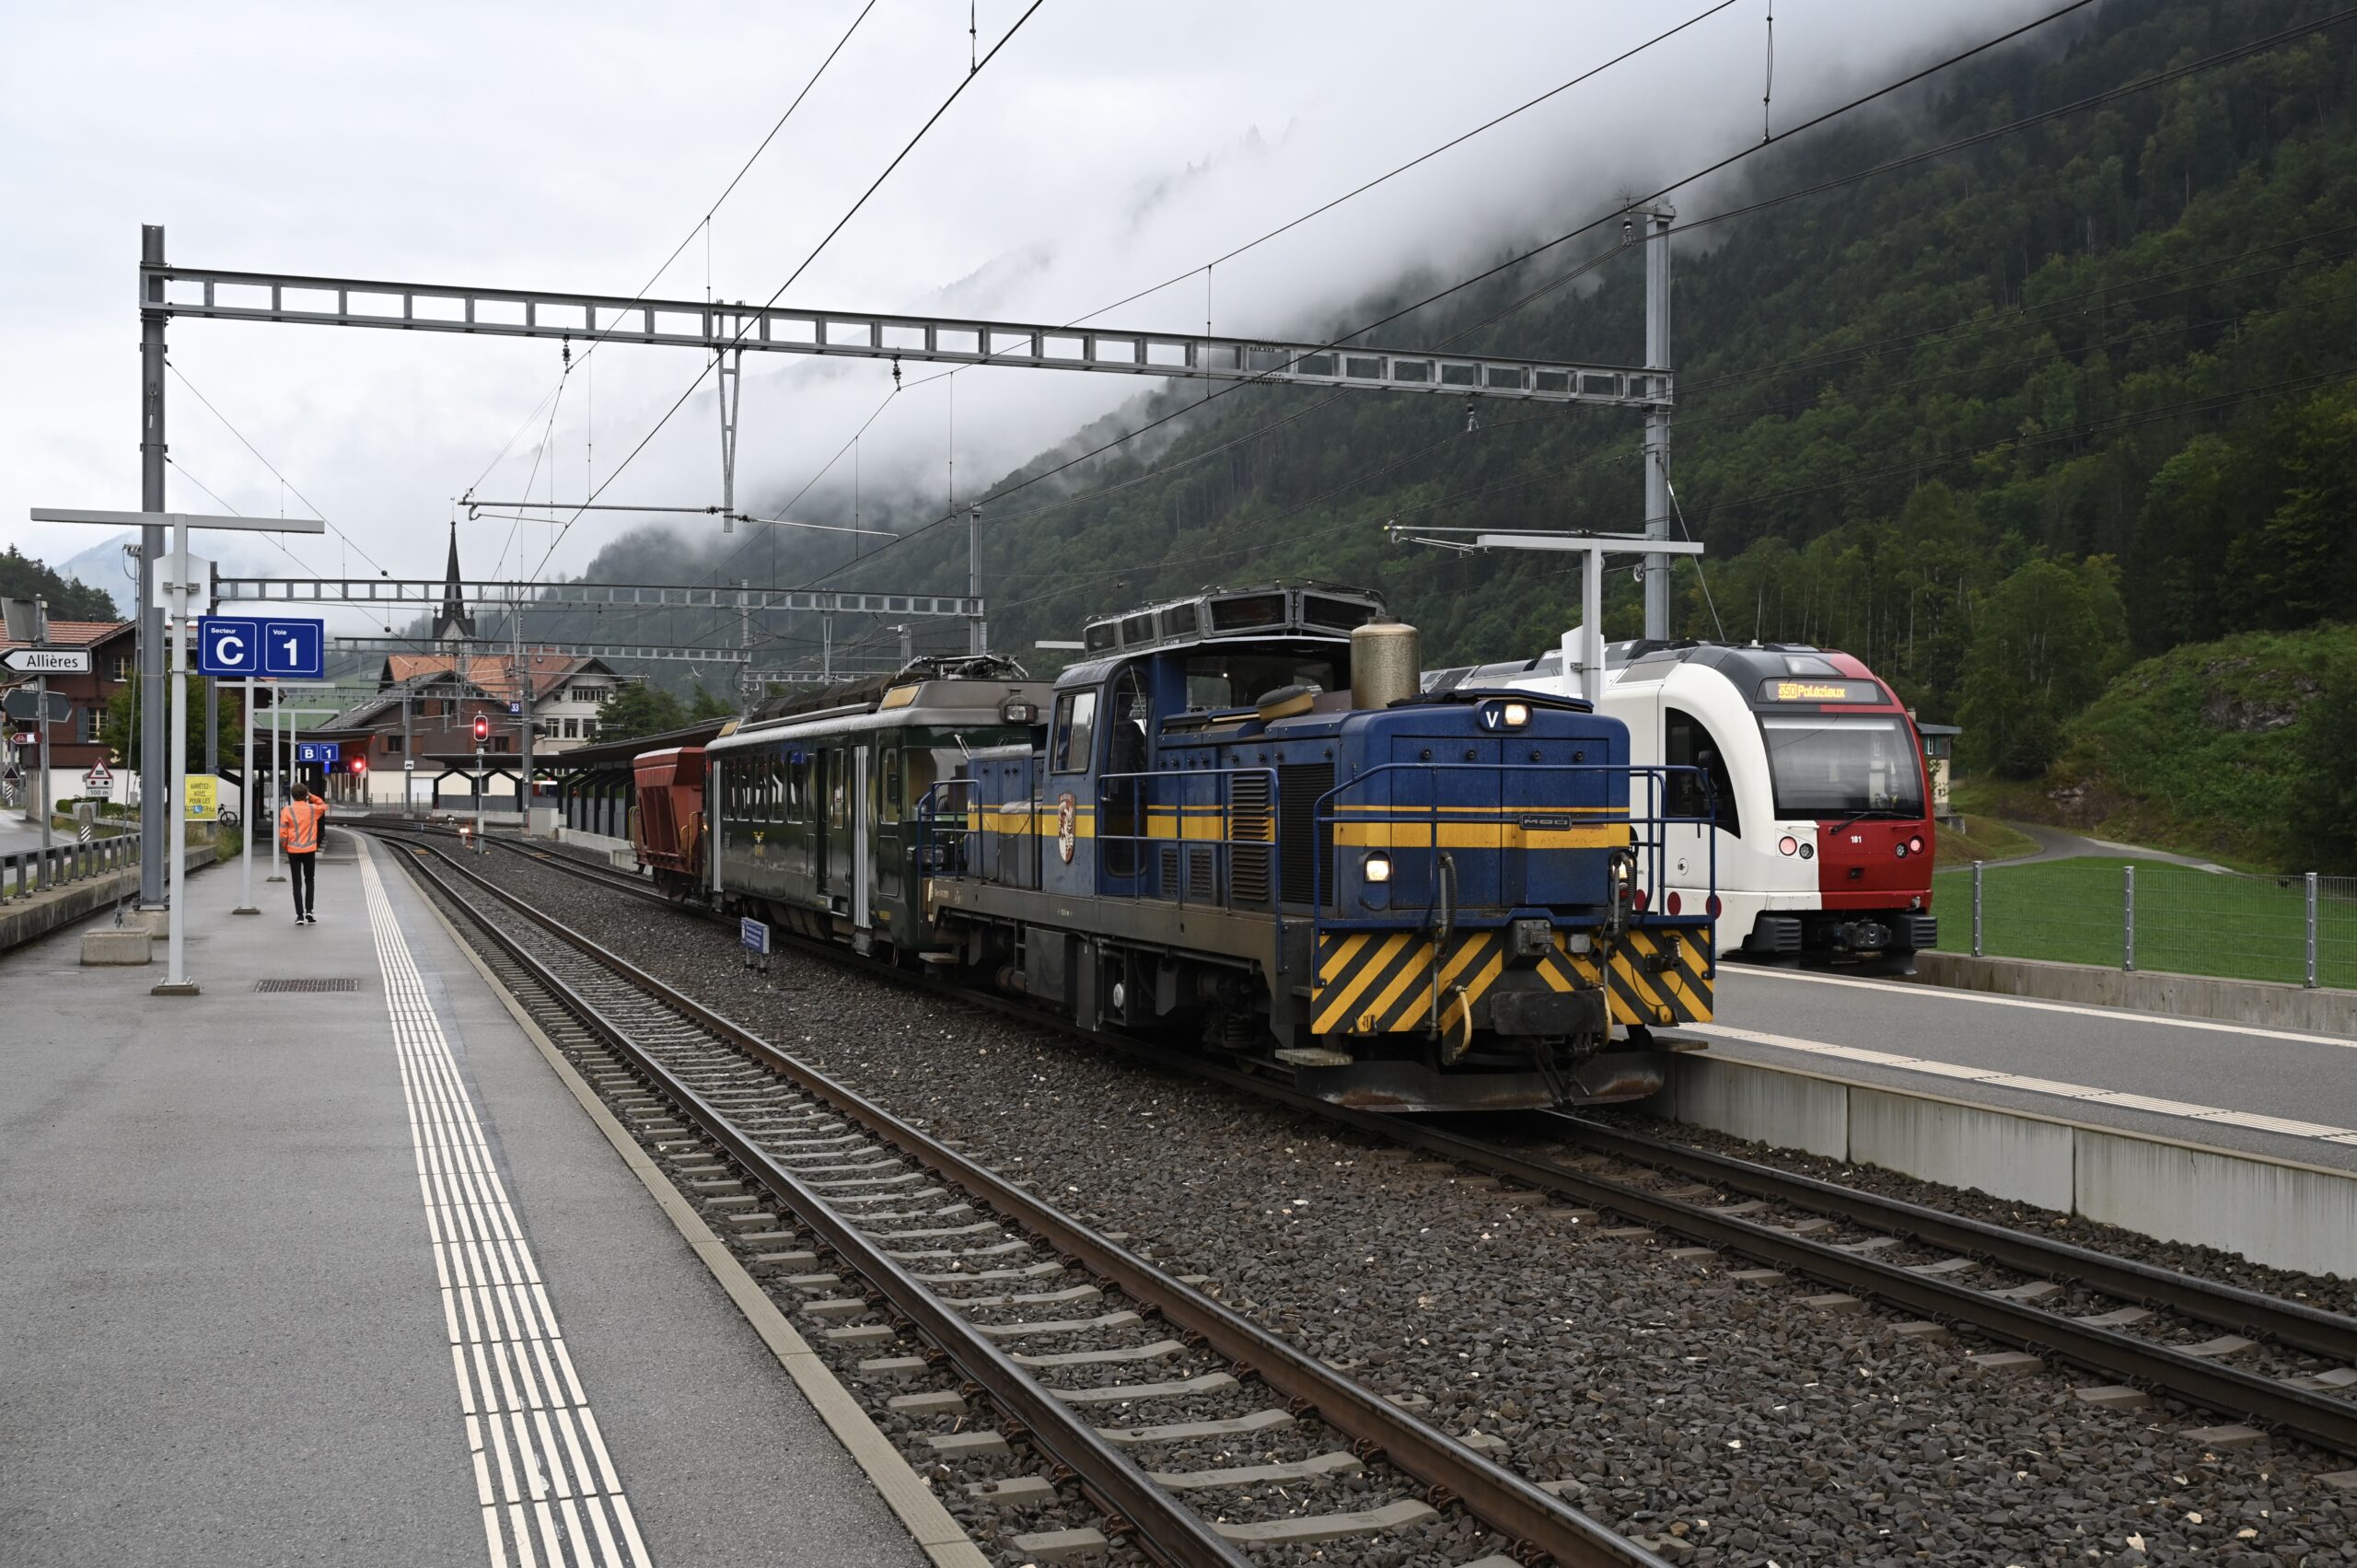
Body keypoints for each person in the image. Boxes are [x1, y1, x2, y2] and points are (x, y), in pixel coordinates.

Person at [279, 783, 329, 924]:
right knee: (309, 880)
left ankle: (299, 916)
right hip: (309, 850)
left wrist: (286, 846)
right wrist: (311, 796)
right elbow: (323, 805)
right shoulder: (312, 809)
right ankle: (309, 911)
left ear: (293, 796)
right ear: (305, 795)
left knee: (297, 883)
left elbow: (282, 834)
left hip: (293, 851)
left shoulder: (286, 811)